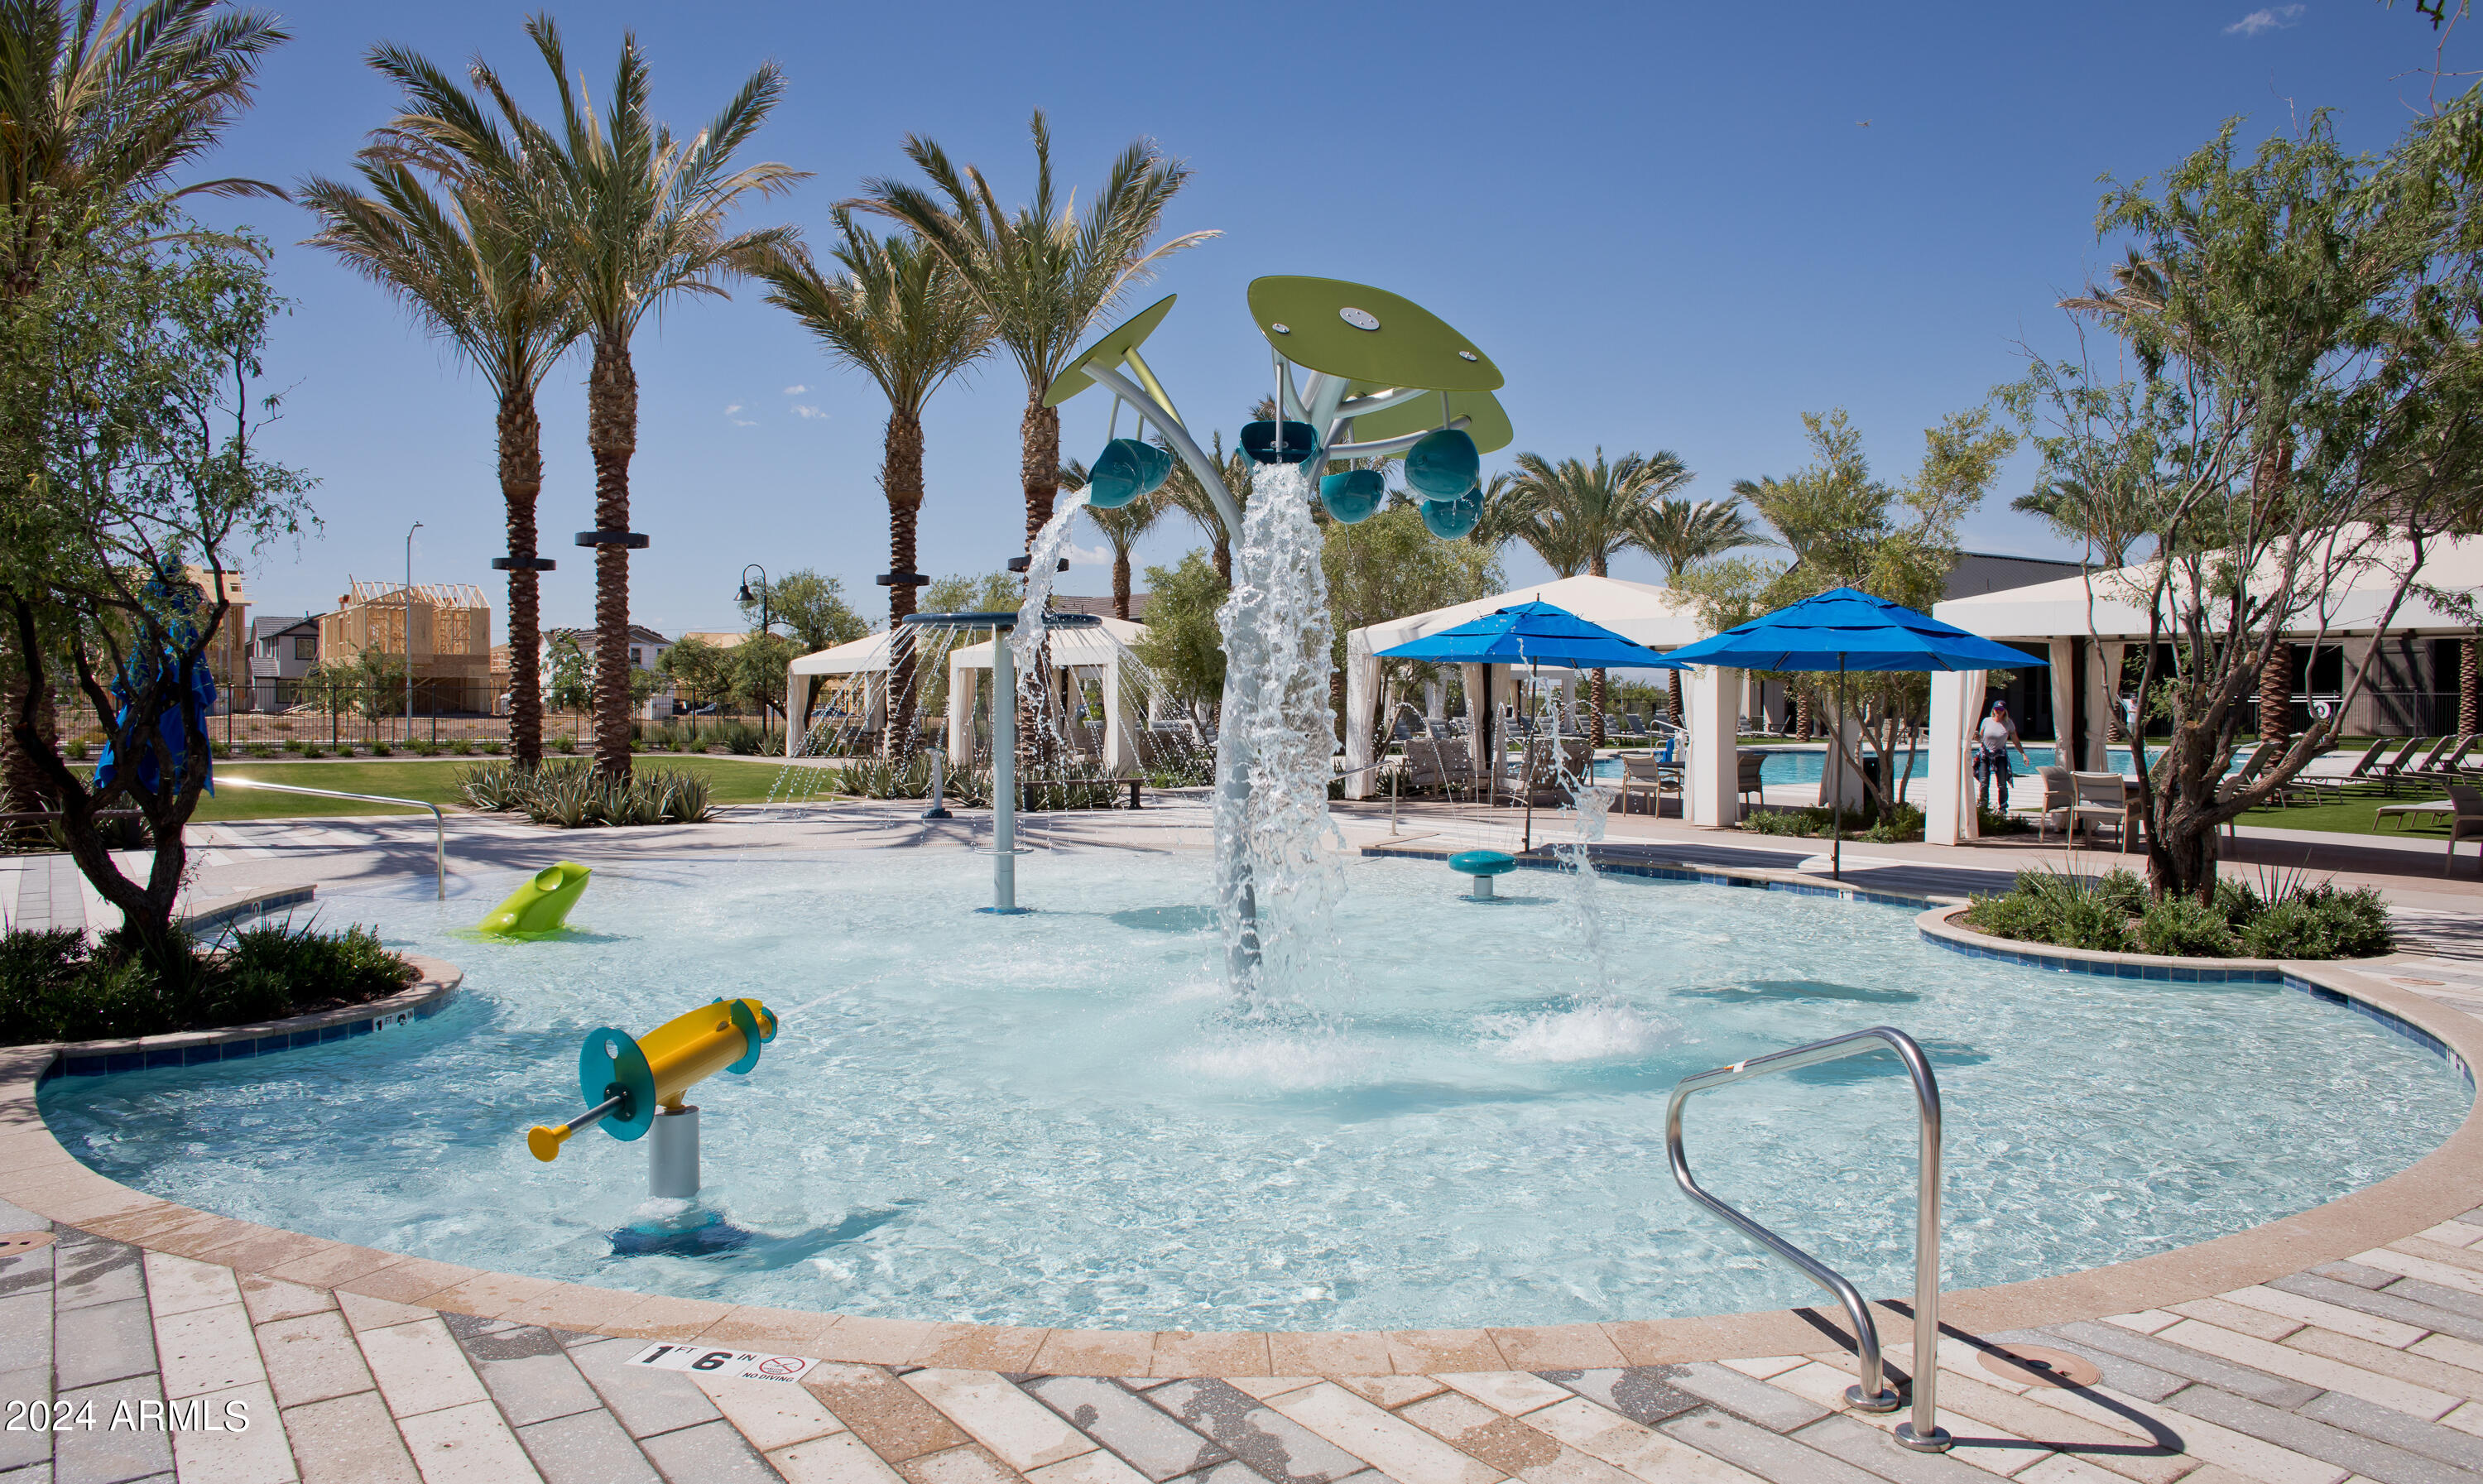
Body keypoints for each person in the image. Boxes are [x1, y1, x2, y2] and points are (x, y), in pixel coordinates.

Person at [1975, 699, 2031, 813]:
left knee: (2002, 784)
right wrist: (1976, 738)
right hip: (1985, 755)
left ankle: (2003, 808)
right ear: (1993, 710)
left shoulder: (2009, 723)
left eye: (2001, 709)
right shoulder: (1986, 721)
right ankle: (1983, 808)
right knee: (1984, 783)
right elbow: (1980, 738)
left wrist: (2023, 754)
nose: (1998, 711)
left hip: (2000, 756)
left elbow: (2015, 740)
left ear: (2005, 711)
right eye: (1996, 709)